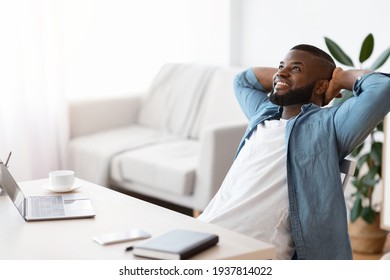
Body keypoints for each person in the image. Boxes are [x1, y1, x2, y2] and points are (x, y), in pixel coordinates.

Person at [198, 44, 390, 260]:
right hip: (207, 229)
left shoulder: (330, 124)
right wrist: (285, 77)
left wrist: (339, 78)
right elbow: (242, 80)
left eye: (296, 68)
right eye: (281, 66)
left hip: (252, 250)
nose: (281, 71)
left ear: (321, 86)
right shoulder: (264, 113)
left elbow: (383, 87)